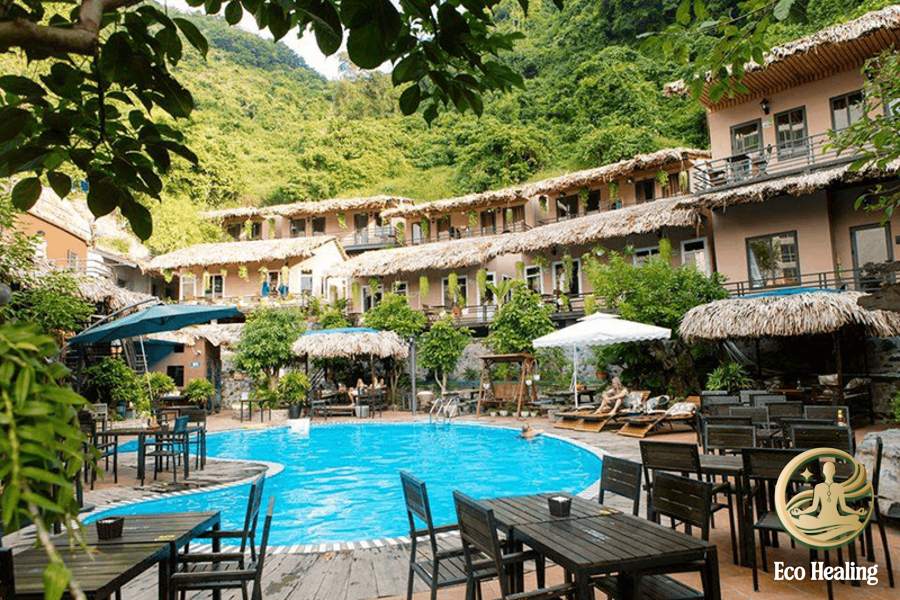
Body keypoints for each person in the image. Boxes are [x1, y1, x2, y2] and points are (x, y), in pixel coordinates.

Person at [789, 462, 867, 535]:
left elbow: (813, 508)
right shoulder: (837, 487)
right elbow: (844, 508)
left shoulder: (819, 487)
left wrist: (800, 513)